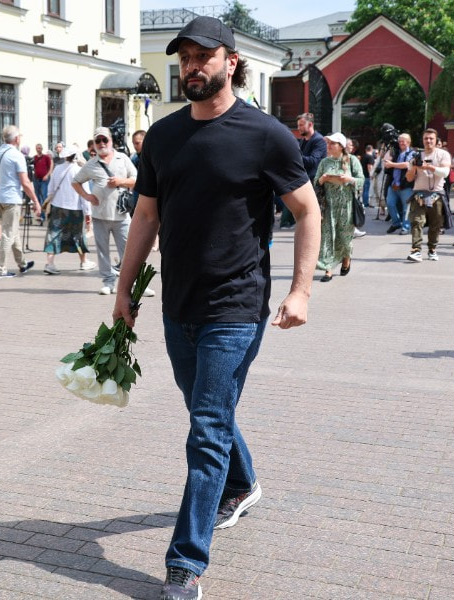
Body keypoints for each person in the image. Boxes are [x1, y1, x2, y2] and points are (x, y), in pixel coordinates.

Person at [111, 17, 320, 600]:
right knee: (209, 410)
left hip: (237, 305)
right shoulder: (164, 137)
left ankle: (185, 564)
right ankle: (245, 482)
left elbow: (307, 211)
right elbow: (146, 217)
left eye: (205, 56)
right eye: (185, 58)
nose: (192, 66)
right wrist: (125, 289)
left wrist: (301, 291)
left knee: (205, 429)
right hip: (178, 305)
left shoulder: (266, 135)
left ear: (232, 62)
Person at [72, 126, 139, 295]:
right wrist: (87, 196)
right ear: (94, 144)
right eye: (98, 141)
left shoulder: (122, 158)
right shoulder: (91, 164)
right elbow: (75, 181)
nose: (102, 143)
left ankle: (135, 283)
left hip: (121, 215)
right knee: (103, 251)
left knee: (128, 251)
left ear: (111, 141)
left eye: (104, 140)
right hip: (100, 215)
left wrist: (120, 181)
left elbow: (137, 179)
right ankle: (108, 282)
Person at [0, 126, 41, 278]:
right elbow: (25, 182)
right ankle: (0, 269)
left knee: (13, 232)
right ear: (17, 139)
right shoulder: (16, 155)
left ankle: (22, 264)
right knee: (8, 234)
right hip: (11, 199)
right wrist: (36, 201)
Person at [314, 133, 364, 281]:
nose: (328, 146)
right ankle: (328, 269)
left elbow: (361, 181)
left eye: (332, 144)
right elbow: (315, 182)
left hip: (346, 206)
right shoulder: (324, 162)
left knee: (345, 238)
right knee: (327, 238)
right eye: (328, 144)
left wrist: (349, 179)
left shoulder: (352, 160)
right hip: (328, 206)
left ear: (341, 146)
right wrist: (323, 179)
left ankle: (346, 258)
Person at [42, 145, 96, 274]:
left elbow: (51, 189)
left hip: (58, 207)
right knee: (78, 236)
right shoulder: (79, 170)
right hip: (75, 208)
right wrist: (88, 212)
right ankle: (83, 262)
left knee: (53, 234)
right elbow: (85, 193)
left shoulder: (57, 169)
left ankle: (49, 263)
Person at [405, 128, 452, 262]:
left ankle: (432, 249)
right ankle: (416, 250)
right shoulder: (416, 156)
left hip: (436, 194)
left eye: (431, 138)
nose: (428, 141)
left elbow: (445, 173)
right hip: (418, 194)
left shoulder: (443, 154)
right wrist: (414, 167)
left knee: (435, 224)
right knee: (417, 221)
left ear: (436, 140)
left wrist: (429, 167)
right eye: (426, 138)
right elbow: (408, 178)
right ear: (422, 140)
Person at [280, 112, 325, 229]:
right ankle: (289, 222)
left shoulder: (318, 140)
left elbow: (313, 161)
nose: (299, 128)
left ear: (310, 125)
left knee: (310, 209)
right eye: (298, 125)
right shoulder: (302, 141)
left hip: (314, 179)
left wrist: (294, 156)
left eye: (301, 125)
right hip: (301, 177)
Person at [383, 133, 416, 235]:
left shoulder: (412, 152)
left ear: (409, 142)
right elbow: (385, 160)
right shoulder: (395, 151)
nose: (401, 143)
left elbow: (407, 164)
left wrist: (392, 164)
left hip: (405, 184)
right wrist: (390, 148)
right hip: (393, 184)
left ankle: (406, 227)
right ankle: (396, 222)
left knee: (406, 207)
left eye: (403, 141)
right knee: (390, 203)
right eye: (400, 141)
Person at [32, 143, 52, 222]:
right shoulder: (34, 158)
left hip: (44, 180)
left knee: (44, 196)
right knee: (37, 197)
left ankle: (44, 215)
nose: (38, 149)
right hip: (36, 179)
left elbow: (50, 167)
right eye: (37, 148)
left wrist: (47, 175)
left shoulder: (46, 157)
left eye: (40, 148)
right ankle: (40, 214)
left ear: (42, 149)